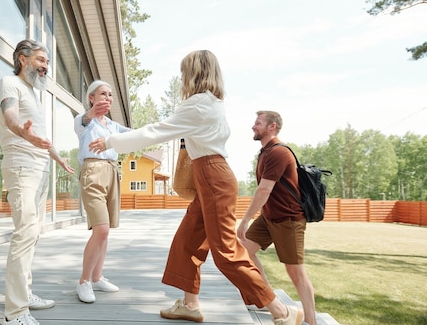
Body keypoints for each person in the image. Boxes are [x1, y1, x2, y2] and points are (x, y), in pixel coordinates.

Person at [89, 50, 303, 325]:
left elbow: (156, 130)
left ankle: (280, 310)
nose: (181, 79)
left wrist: (110, 142)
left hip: (213, 178)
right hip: (211, 178)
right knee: (187, 241)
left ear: (194, 74)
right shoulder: (210, 103)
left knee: (226, 252)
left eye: (183, 73)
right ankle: (190, 305)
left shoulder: (199, 104)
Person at [0, 39, 75, 325]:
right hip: (22, 167)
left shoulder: (32, 93)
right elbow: (11, 117)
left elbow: (39, 134)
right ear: (22, 59)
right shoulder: (9, 84)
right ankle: (15, 312)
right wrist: (22, 132)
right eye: (41, 60)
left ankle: (25, 294)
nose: (45, 66)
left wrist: (58, 157)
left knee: (33, 234)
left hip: (40, 168)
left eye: (47, 62)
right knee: (25, 233)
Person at [237, 110, 317, 325]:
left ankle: (310, 320)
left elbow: (264, 190)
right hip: (269, 217)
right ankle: (267, 298)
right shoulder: (265, 153)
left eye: (258, 123)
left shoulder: (278, 153)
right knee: (243, 251)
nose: (254, 126)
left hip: (288, 219)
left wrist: (244, 221)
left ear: (272, 126)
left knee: (295, 271)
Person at [74, 80, 131, 303]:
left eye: (109, 94)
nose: (107, 98)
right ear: (91, 97)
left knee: (105, 231)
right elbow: (85, 119)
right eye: (102, 94)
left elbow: (137, 135)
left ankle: (97, 277)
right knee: (102, 229)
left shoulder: (113, 126)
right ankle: (84, 281)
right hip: (92, 172)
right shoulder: (83, 121)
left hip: (111, 173)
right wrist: (92, 112)